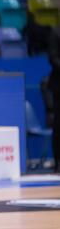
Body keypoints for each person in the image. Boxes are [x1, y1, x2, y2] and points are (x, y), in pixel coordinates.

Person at [48, 26, 60, 173]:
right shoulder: (55, 32)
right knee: (59, 124)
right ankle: (58, 161)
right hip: (59, 86)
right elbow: (53, 58)